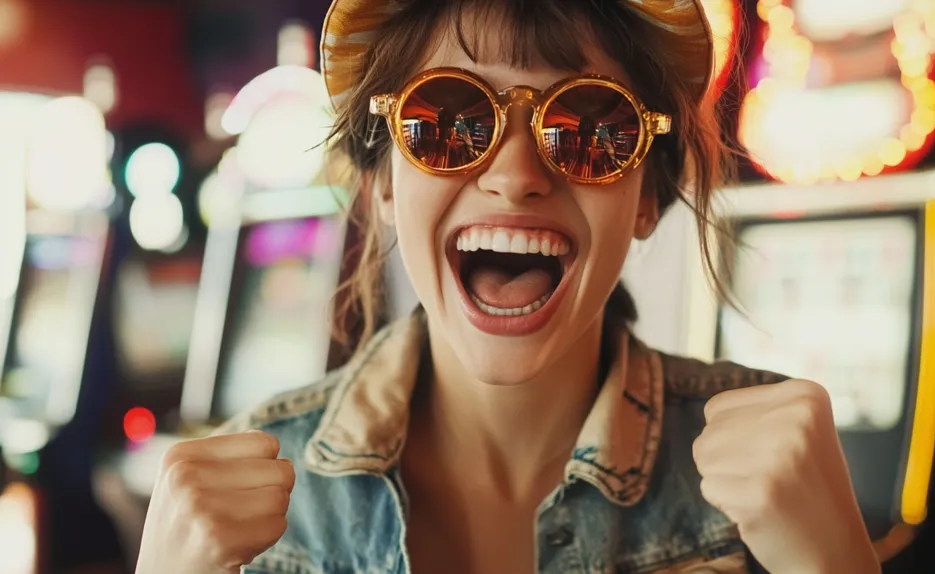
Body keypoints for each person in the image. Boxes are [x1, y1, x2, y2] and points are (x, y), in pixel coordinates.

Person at [135, 1, 879, 572]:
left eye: (593, 129)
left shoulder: (775, 488)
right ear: (385, 183)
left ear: (647, 199)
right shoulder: (242, 510)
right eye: (448, 119)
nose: (517, 176)